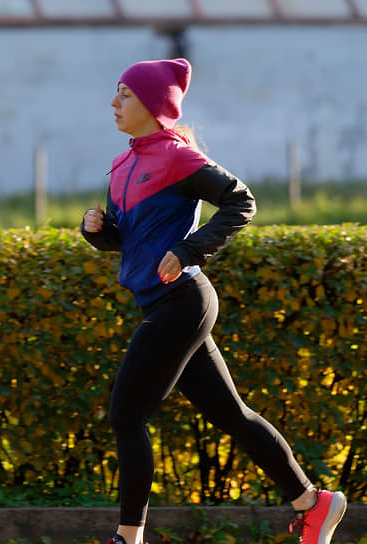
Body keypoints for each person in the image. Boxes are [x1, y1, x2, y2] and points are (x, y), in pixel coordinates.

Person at [80, 58, 347, 544]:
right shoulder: (120, 166)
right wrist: (97, 232)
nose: (114, 103)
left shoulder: (179, 157)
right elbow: (130, 240)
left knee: (126, 414)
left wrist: (187, 249)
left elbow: (241, 202)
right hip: (164, 305)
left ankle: (127, 538)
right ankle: (314, 503)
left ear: (155, 107)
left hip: (183, 301)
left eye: (125, 95)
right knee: (231, 415)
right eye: (116, 93)